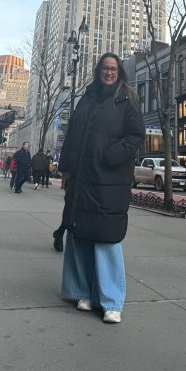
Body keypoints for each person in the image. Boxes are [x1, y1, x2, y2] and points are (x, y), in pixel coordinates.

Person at [57, 52, 145, 324]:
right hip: (81, 179)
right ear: (98, 71)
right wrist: (66, 168)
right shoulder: (86, 99)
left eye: (114, 69)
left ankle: (111, 301)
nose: (109, 73)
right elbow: (71, 136)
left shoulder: (126, 101)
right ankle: (82, 292)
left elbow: (135, 136)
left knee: (107, 238)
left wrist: (109, 155)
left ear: (119, 72)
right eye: (105, 68)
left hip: (109, 180)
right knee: (80, 235)